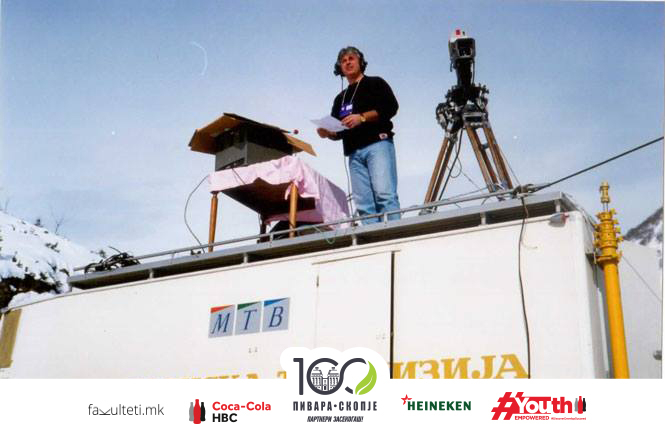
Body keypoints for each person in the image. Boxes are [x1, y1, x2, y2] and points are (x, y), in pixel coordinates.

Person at [317, 46, 401, 224]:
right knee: (364, 203)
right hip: (354, 154)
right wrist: (326, 132)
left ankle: (395, 234)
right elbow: (338, 132)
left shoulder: (375, 83)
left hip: (378, 145)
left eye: (351, 58)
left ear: (360, 62)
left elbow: (391, 107)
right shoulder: (340, 98)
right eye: (343, 61)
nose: (347, 62)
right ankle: (373, 237)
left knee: (384, 194)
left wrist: (362, 117)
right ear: (339, 68)